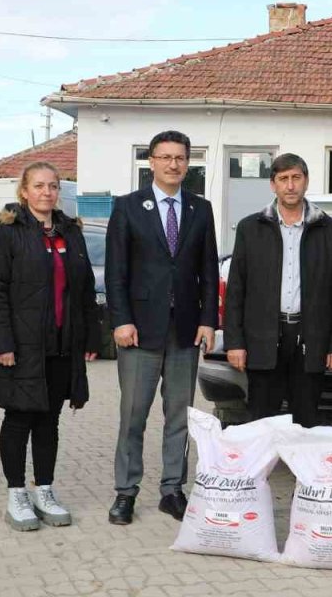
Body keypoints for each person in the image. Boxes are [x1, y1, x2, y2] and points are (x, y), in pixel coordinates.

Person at [0, 162, 100, 532]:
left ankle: (44, 489)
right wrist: (1, 342)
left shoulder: (70, 232)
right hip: (21, 345)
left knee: (49, 420)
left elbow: (84, 289)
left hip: (62, 344)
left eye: (53, 186)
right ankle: (16, 493)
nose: (47, 192)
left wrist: (91, 336)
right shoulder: (7, 231)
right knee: (19, 419)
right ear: (24, 191)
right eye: (39, 186)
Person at [105, 130, 219, 525]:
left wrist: (208, 320)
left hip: (185, 329)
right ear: (151, 162)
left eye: (180, 158)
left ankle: (172, 490)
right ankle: (126, 492)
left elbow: (208, 269)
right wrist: (121, 319)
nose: (173, 164)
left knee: (179, 415)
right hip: (139, 330)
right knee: (133, 415)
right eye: (165, 157)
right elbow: (116, 271)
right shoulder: (128, 207)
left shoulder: (201, 209)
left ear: (188, 163)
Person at [224, 153, 332, 427]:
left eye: (296, 178)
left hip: (310, 340)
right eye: (283, 179)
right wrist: (235, 342)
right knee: (261, 422)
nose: (290, 185)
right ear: (273, 184)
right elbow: (236, 290)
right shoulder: (250, 228)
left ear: (306, 181)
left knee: (306, 424)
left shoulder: (327, 229)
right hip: (263, 339)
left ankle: (302, 457)